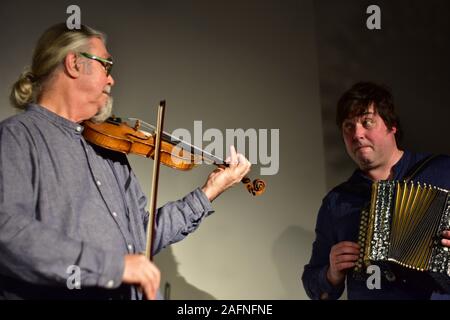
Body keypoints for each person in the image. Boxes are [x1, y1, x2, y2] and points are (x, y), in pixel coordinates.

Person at [0, 23, 251, 300]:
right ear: (74, 64)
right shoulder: (17, 137)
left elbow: (141, 237)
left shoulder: (109, 149)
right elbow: (8, 234)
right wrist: (114, 267)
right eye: (106, 66)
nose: (112, 79)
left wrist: (210, 191)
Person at [302, 81, 450, 300]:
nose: (357, 134)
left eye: (367, 122)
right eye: (348, 126)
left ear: (392, 126)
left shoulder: (443, 171)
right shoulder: (337, 201)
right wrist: (331, 273)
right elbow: (315, 288)